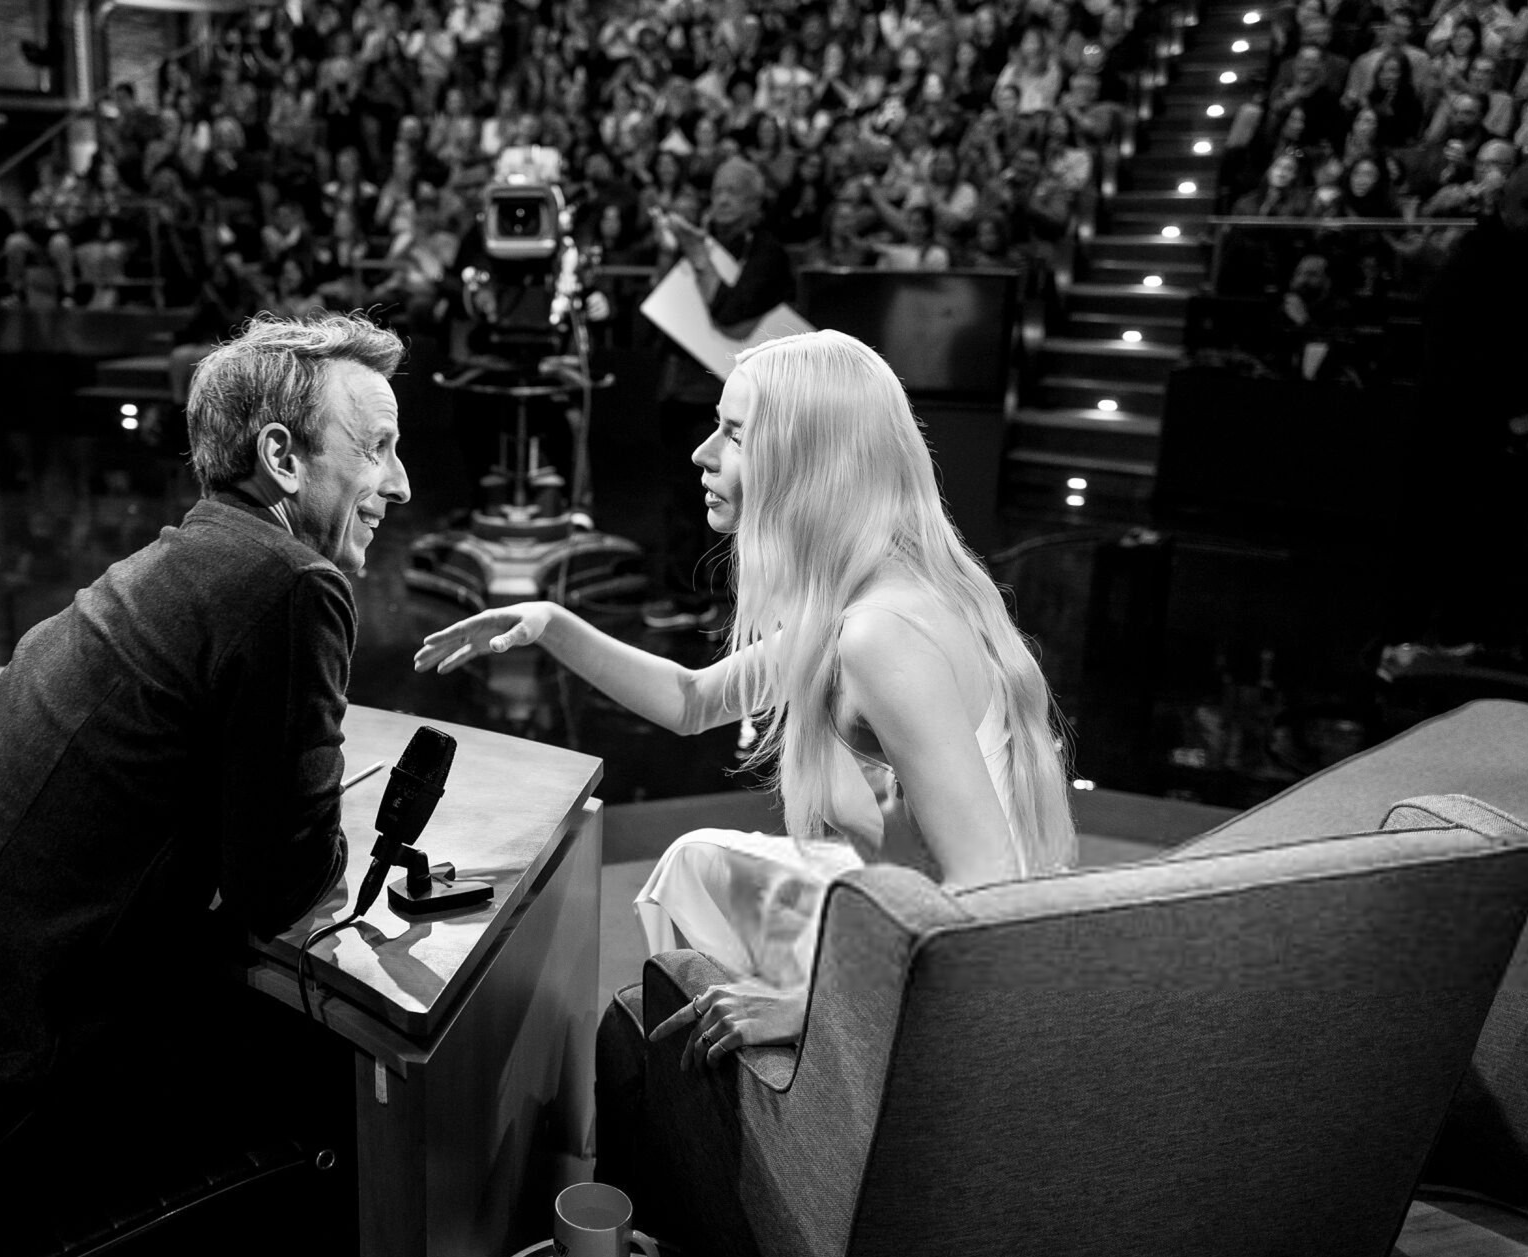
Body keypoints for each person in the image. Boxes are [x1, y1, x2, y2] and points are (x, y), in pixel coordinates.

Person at [0, 314, 410, 1221]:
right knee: (330, 1096)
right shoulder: (290, 582)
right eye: (378, 448)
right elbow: (281, 884)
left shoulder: (175, 565)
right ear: (281, 456)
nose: (400, 482)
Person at [416, 330, 1076, 1059]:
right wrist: (552, 623)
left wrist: (815, 1006)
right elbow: (692, 701)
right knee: (695, 862)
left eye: (734, 434)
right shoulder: (869, 593)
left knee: (668, 954)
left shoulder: (880, 634)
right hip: (901, 909)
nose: (702, 453)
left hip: (952, 973)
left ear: (808, 461)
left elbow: (986, 885)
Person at [647, 155, 796, 631]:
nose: (723, 200)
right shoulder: (699, 243)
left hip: (734, 403)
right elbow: (659, 308)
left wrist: (697, 257)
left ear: (756, 204)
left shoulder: (767, 253)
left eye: (735, 192)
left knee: (736, 499)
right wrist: (672, 253)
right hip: (681, 391)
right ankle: (685, 594)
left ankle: (726, 601)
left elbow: (730, 314)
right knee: (682, 497)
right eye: (718, 191)